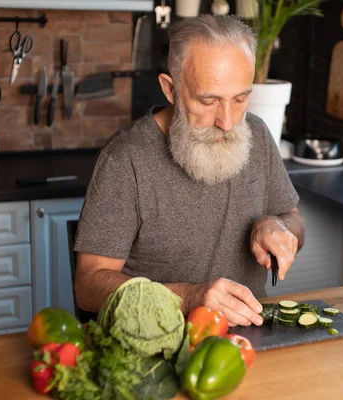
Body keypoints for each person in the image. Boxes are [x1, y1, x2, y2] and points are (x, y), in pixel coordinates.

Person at [74, 14, 304, 327]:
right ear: (170, 89)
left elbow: (292, 218)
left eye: (240, 98)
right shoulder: (125, 159)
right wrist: (189, 298)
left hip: (246, 340)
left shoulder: (257, 134)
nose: (228, 121)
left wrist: (278, 226)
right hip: (153, 347)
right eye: (208, 100)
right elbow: (88, 287)